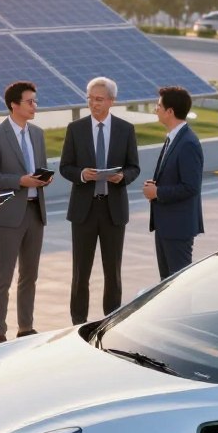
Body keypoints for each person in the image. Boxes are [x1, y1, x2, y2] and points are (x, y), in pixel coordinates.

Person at [59, 76, 141, 324]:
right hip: (84, 211)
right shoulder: (76, 129)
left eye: (99, 99)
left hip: (113, 210)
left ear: (111, 101)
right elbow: (65, 167)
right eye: (90, 98)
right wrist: (82, 174)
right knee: (80, 272)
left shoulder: (126, 129)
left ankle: (111, 321)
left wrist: (122, 177)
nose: (93, 103)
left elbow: (134, 167)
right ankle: (78, 322)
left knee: (112, 272)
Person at [0, 81, 49, 343]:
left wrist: (43, 179)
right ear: (14, 104)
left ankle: (26, 326)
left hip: (35, 211)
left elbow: (39, 167)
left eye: (35, 101)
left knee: (29, 275)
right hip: (10, 213)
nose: (35, 106)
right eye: (30, 101)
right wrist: (21, 181)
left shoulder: (38, 134)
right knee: (4, 275)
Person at [143, 85, 204, 279]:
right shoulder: (174, 138)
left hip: (177, 229)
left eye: (159, 106)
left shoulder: (188, 143)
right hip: (166, 226)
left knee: (178, 285)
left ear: (170, 111)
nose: (156, 109)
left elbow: (191, 186)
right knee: (166, 285)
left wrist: (158, 192)